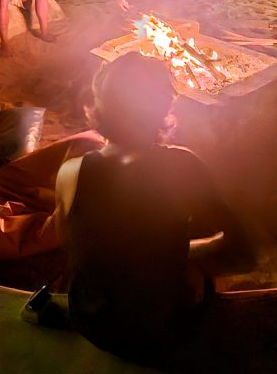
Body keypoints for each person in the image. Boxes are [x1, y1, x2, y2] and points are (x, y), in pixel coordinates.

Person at [54, 53, 251, 361]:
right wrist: (192, 253)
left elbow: (73, 245)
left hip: (93, 325)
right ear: (162, 108)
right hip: (165, 331)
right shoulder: (181, 165)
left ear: (100, 107)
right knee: (204, 275)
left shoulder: (71, 173)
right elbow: (243, 248)